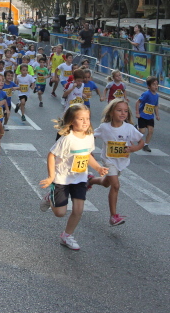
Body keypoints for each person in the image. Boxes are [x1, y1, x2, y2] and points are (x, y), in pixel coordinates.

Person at [39, 105, 109, 250]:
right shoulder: (67, 139)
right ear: (71, 121)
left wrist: (98, 168)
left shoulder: (89, 136)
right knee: (60, 213)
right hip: (62, 178)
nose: (85, 122)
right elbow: (51, 155)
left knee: (78, 210)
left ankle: (67, 236)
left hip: (80, 178)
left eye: (87, 118)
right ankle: (50, 197)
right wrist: (51, 176)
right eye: (81, 119)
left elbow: (87, 155)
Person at [88, 99, 144, 226]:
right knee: (116, 186)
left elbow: (141, 141)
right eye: (119, 110)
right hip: (108, 160)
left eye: (125, 111)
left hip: (121, 161)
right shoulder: (105, 127)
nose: (123, 113)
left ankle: (90, 180)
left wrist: (134, 148)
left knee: (106, 183)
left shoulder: (129, 128)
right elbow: (91, 136)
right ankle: (113, 216)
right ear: (111, 112)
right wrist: (89, 150)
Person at [135, 76, 160, 152]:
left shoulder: (157, 95)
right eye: (153, 85)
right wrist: (137, 113)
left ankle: (146, 145)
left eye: (157, 84)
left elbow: (155, 106)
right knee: (142, 132)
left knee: (151, 131)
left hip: (150, 116)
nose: (156, 86)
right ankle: (136, 128)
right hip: (142, 115)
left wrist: (157, 115)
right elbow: (137, 102)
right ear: (149, 86)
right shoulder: (146, 94)